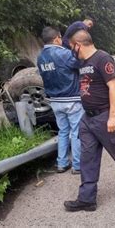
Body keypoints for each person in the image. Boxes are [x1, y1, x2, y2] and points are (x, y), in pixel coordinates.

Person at [63, 30, 115, 212]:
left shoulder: (102, 58)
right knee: (87, 157)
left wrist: (113, 116)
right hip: (88, 118)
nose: (70, 50)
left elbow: (114, 86)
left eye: (71, 47)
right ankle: (87, 199)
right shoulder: (82, 62)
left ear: (78, 45)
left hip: (105, 115)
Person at [37, 27, 84, 174]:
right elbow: (80, 63)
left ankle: (62, 164)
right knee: (76, 132)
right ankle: (77, 165)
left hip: (55, 101)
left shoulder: (40, 57)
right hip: (72, 99)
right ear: (57, 38)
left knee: (63, 132)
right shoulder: (64, 54)